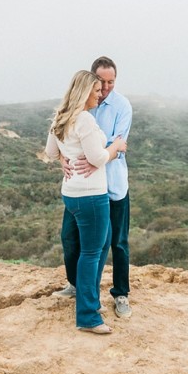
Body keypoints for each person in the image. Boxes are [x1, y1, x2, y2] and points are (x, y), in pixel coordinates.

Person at [45, 70, 127, 334]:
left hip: (71, 192)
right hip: (91, 195)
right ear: (83, 93)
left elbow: (50, 152)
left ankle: (90, 301)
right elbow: (98, 158)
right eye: (96, 91)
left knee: (102, 243)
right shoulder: (84, 120)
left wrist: (65, 159)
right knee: (91, 253)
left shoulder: (61, 117)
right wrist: (116, 147)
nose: (99, 95)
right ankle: (88, 317)